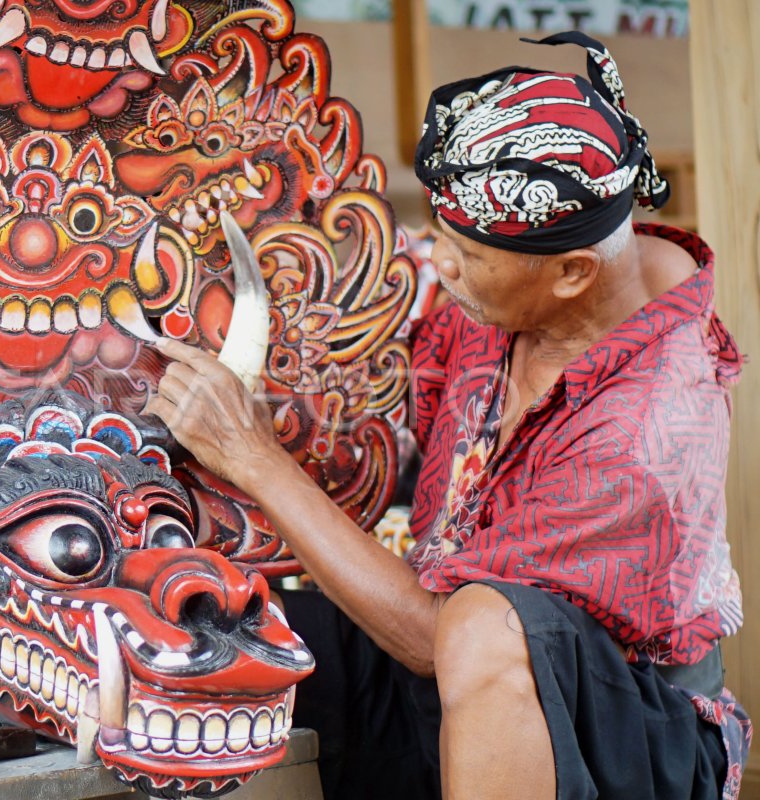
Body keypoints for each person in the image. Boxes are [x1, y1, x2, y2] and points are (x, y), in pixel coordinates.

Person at [145, 31, 750, 800]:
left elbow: (441, 638)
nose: (441, 264)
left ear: (571, 273)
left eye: (467, 256)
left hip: (622, 739)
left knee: (485, 626)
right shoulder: (510, 285)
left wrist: (255, 457)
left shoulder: (648, 429)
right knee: (201, 624)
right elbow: (400, 405)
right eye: (442, 236)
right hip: (441, 667)